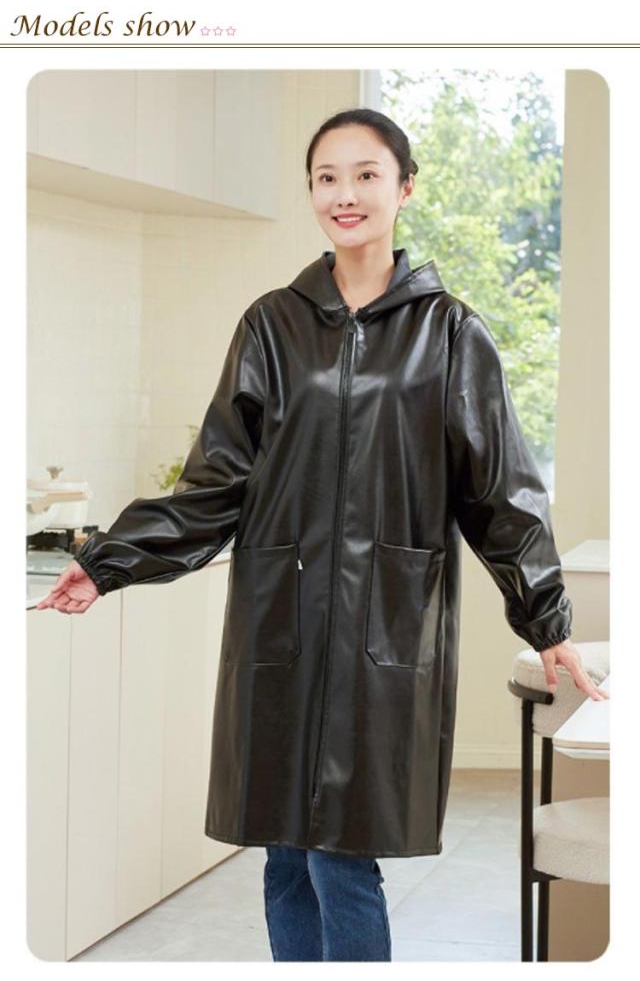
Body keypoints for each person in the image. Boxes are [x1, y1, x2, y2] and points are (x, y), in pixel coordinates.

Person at [37, 108, 608, 962]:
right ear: (311, 191)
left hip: (387, 624)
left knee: (344, 856)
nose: (346, 194)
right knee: (283, 854)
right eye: (327, 177)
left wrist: (547, 618)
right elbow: (218, 479)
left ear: (404, 188)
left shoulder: (450, 332)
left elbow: (500, 491)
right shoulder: (272, 325)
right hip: (282, 619)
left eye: (366, 175)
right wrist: (109, 561)